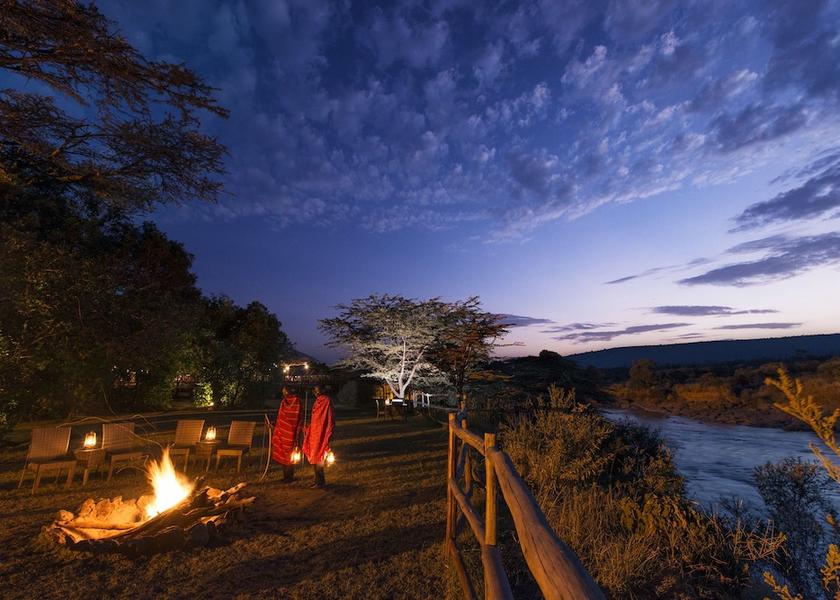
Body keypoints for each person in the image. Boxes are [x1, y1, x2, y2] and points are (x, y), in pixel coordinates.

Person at [303, 385, 334, 488]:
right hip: (314, 433)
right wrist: (309, 428)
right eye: (314, 390)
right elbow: (315, 418)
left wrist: (328, 431)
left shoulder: (326, 401)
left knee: (319, 456)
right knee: (314, 456)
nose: (315, 392)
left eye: (317, 390)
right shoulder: (317, 401)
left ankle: (320, 481)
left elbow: (328, 417)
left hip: (322, 432)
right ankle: (317, 480)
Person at [271, 387, 302, 483]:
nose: (284, 394)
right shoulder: (283, 402)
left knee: (290, 455)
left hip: (291, 433)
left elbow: (296, 416)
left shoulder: (297, 402)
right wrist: (276, 425)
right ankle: (285, 476)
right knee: (283, 455)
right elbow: (281, 417)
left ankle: (290, 477)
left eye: (285, 392)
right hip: (282, 432)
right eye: (283, 392)